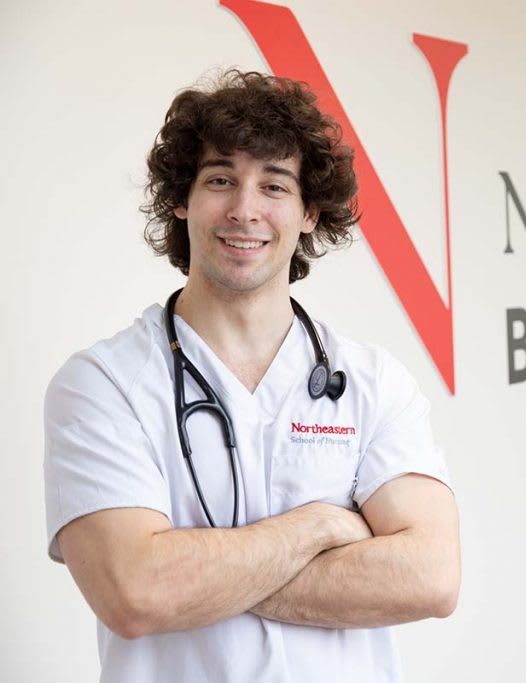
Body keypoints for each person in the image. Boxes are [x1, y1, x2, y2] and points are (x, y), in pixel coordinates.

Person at [43, 70, 460, 682]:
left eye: (274, 185)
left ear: (309, 212)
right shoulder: (101, 384)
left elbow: (431, 576)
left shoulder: (371, 382)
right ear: (180, 199)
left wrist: (196, 576)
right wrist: (318, 525)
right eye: (219, 180)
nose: (244, 209)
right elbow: (134, 593)